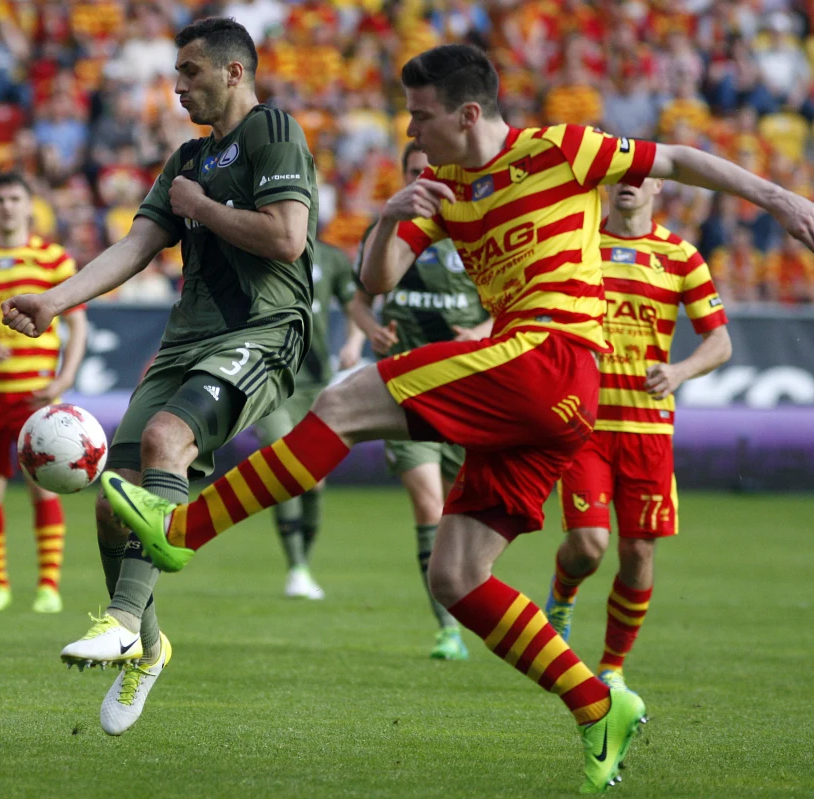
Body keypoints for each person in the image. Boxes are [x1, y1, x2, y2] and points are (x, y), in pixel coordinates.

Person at [99, 44, 814, 794]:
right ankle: (597, 702)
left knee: (341, 402)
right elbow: (377, 280)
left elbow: (679, 158)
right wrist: (388, 215)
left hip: (551, 355)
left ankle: (182, 531)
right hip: (548, 402)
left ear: (469, 113)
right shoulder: (440, 187)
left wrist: (777, 197)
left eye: (423, 114)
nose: (412, 128)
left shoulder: (558, 149)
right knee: (458, 574)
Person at [0, 18, 317, 737]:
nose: (177, 88)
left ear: (235, 72)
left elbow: (286, 237)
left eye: (191, 73)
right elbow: (138, 243)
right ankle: (148, 647)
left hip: (261, 330)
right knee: (114, 501)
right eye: (175, 74)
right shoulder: (184, 159)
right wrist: (54, 301)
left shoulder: (273, 131)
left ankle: (117, 618)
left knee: (168, 440)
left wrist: (204, 210)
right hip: (187, 338)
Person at [543, 177, 732, 691]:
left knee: (639, 552)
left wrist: (679, 372)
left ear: (657, 186)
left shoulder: (681, 256)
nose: (628, 183)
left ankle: (612, 668)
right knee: (588, 545)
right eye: (619, 176)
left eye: (639, 176)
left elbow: (719, 342)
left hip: (648, 428)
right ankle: (561, 597)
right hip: (585, 423)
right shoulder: (579, 245)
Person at [345, 140, 491, 660]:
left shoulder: (476, 228)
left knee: (459, 513)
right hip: (404, 390)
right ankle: (446, 627)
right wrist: (368, 334)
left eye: (430, 170)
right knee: (428, 502)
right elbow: (360, 303)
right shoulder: (384, 231)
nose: (421, 179)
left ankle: (466, 606)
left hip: (467, 389)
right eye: (412, 172)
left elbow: (513, 304)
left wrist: (481, 329)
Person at [0, 171, 88, 614]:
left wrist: (65, 380)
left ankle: (48, 585)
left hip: (36, 397)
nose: (6, 207)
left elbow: (77, 324)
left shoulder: (53, 259)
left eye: (13, 199)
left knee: (42, 486)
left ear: (29, 206)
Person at [255, 237, 362, 600]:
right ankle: (296, 567)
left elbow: (356, 305)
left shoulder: (332, 257)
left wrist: (353, 342)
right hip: (269, 382)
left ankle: (303, 566)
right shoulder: (259, 246)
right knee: (285, 466)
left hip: (315, 385)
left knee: (313, 481)